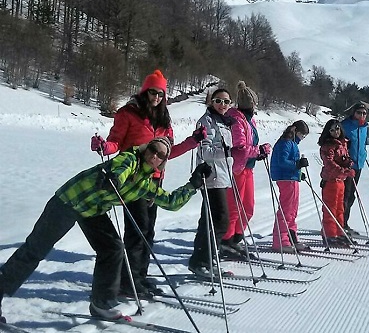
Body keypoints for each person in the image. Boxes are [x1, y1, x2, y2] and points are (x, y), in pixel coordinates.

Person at [0, 137, 212, 321]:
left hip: (92, 211)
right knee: (35, 250)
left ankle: (102, 303)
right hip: (69, 201)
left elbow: (171, 202)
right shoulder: (130, 159)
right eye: (153, 149)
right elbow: (120, 168)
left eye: (160, 155)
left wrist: (193, 184)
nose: (154, 155)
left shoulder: (145, 185)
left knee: (113, 248)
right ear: (146, 149)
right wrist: (114, 179)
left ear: (162, 162)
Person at [90, 69, 205, 297]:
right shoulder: (128, 114)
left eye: (161, 94)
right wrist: (104, 147)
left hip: (154, 181)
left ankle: (139, 276)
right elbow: (116, 142)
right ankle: (128, 281)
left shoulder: (163, 118)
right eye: (153, 92)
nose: (156, 97)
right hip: (133, 181)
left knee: (148, 231)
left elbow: (167, 153)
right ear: (145, 91)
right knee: (137, 231)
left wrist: (193, 141)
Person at [220, 81, 271, 258]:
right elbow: (239, 149)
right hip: (237, 168)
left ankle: (236, 238)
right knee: (234, 207)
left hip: (248, 168)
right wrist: (258, 151)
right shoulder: (236, 119)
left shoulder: (249, 120)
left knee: (248, 207)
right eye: (253, 104)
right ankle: (226, 241)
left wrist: (258, 152)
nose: (255, 107)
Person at [188, 88, 235, 276]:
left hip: (223, 175)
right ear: (211, 102)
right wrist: (225, 152)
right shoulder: (206, 121)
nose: (222, 105)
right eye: (218, 101)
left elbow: (226, 150)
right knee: (221, 219)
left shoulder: (224, 122)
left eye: (226, 102)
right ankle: (202, 259)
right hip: (211, 176)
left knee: (209, 220)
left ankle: (204, 258)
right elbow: (204, 151)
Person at [269, 120, 310, 253]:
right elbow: (282, 161)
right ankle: (280, 240)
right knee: (286, 210)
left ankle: (291, 236)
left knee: (293, 210)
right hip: (285, 179)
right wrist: (297, 165)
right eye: (302, 135)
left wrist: (299, 173)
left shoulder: (292, 143)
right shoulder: (285, 143)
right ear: (296, 132)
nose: (302, 138)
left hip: (291, 178)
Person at [318, 119, 354, 245]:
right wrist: (344, 170)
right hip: (331, 180)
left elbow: (344, 159)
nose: (335, 132)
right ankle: (329, 234)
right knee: (330, 208)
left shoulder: (342, 144)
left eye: (337, 129)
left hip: (340, 181)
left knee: (340, 208)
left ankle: (339, 232)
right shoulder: (328, 145)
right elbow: (329, 163)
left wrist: (348, 163)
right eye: (332, 130)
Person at [340, 103, 369, 235]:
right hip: (346, 165)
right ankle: (340, 224)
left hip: (358, 165)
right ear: (354, 112)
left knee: (351, 196)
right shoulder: (345, 125)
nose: (361, 115)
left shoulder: (364, 127)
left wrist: (364, 154)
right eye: (359, 112)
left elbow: (363, 144)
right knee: (344, 195)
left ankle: (345, 223)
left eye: (364, 113)